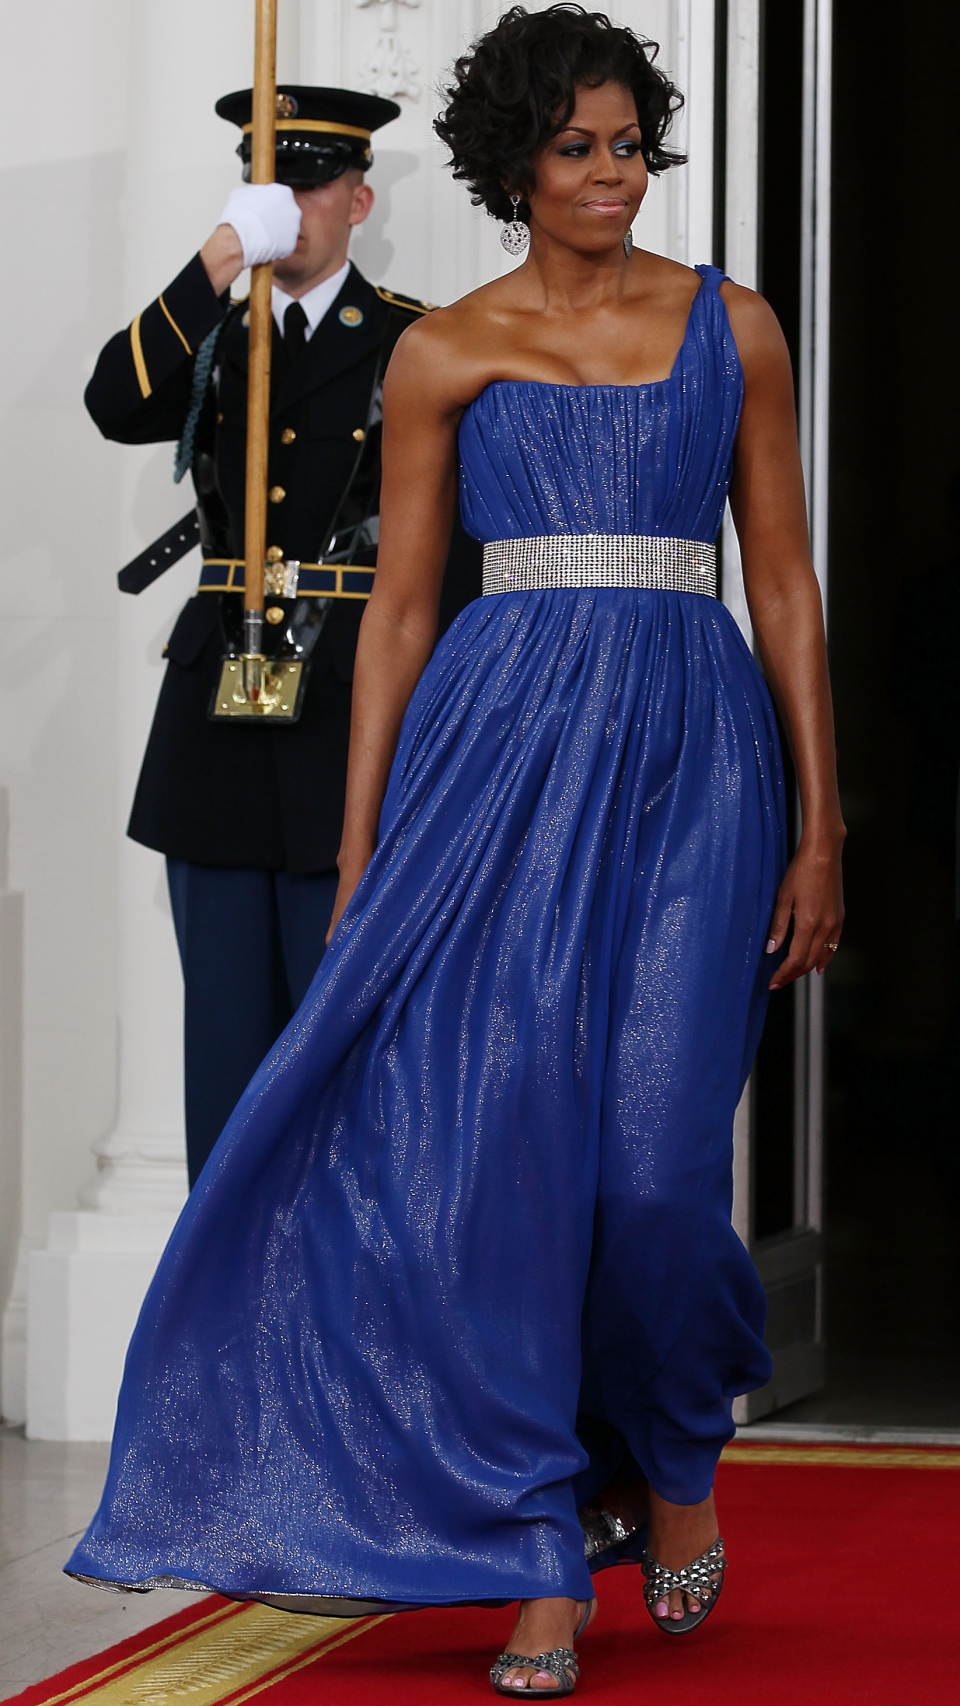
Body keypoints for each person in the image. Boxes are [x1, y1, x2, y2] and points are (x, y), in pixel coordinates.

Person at [68, 7, 845, 1696]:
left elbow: (781, 579)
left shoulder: (740, 327)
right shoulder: (448, 351)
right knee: (500, 1179)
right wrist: (361, 859)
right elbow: (404, 616)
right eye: (578, 146)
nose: (614, 172)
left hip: (693, 759)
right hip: (489, 770)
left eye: (633, 141)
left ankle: (682, 1459)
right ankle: (537, 1546)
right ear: (511, 166)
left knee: (650, 1173)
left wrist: (822, 821)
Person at [85, 85, 483, 1185]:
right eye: (269, 185)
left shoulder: (415, 339)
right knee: (223, 1058)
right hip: (216, 726)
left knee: (346, 1051)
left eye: (310, 184)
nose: (291, 206)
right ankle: (223, 1329)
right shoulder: (216, 334)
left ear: (358, 198)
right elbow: (114, 401)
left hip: (351, 726)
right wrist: (218, 257)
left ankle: (336, 1323)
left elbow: (461, 550)